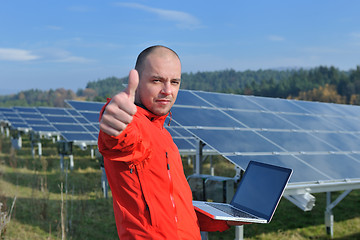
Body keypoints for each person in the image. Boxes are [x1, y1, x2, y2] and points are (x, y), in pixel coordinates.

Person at [98, 45, 231, 239]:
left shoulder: (163, 135)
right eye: (157, 80)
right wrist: (114, 121)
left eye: (175, 82)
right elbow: (120, 141)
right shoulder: (134, 125)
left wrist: (224, 219)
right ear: (137, 80)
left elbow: (175, 211)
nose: (167, 91)